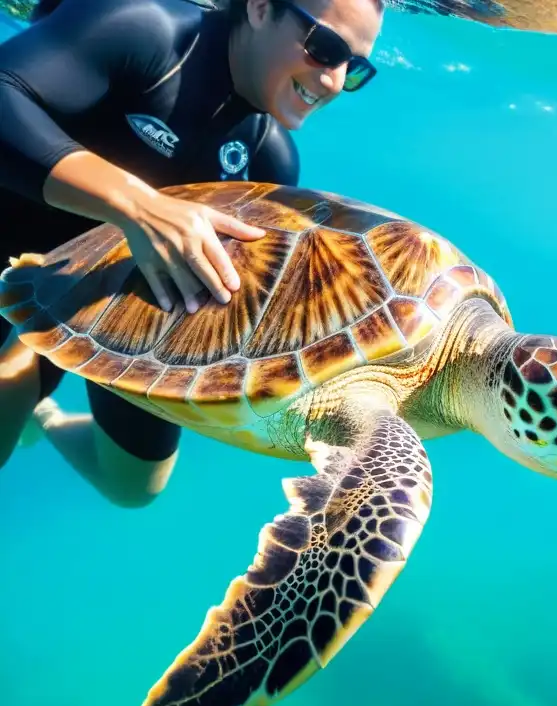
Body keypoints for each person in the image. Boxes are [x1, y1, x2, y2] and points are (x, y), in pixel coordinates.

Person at [0, 0, 384, 506]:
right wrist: (138, 206)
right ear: (261, 8)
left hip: (96, 301)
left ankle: (40, 396)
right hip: (12, 226)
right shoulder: (145, 31)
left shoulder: (272, 160)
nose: (334, 80)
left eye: (353, 67)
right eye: (326, 47)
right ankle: (24, 369)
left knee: (134, 484)